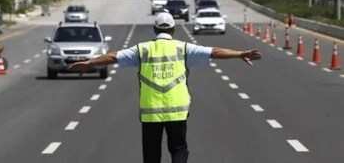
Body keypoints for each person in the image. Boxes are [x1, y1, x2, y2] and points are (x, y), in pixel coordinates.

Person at [68, 12, 262, 163]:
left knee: (151, 154)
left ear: (154, 29)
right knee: (178, 149)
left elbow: (113, 56)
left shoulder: (142, 50)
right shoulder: (184, 48)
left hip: (151, 112)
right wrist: (240, 53)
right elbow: (215, 52)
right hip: (177, 111)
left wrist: (89, 63)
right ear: (173, 29)